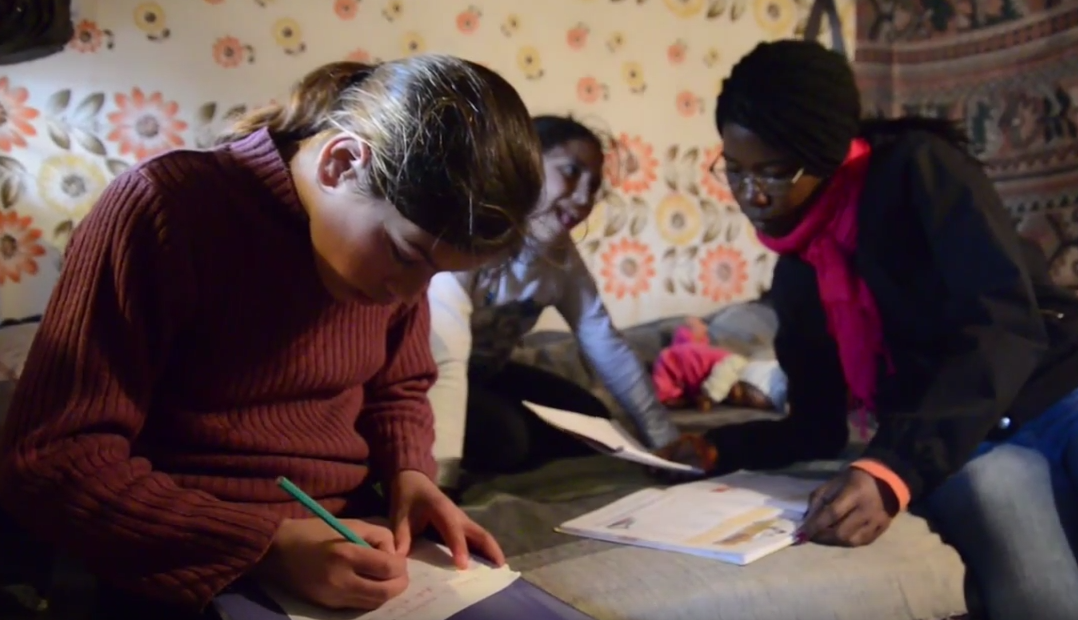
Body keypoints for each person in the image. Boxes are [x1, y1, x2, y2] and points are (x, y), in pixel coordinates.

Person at [0, 57, 545, 617]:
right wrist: (264, 545)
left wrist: (411, 474)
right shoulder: (165, 207)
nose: (410, 296)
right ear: (341, 163)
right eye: (408, 257)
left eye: (435, 275)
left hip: (346, 536)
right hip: (181, 552)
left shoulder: (388, 273)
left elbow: (398, 385)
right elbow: (51, 460)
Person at [655, 40, 1078, 619]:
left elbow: (1004, 322)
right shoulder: (799, 275)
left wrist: (895, 466)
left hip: (1053, 390)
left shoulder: (918, 171)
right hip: (965, 441)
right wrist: (721, 446)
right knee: (1035, 588)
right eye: (735, 168)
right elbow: (818, 426)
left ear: (825, 155)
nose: (751, 195)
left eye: (775, 173)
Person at [427, 115, 680, 484]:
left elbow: (605, 344)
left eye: (593, 186)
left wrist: (664, 442)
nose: (582, 198)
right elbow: (446, 353)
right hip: (426, 373)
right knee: (508, 440)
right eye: (571, 172)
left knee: (595, 422)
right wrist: (440, 474)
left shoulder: (562, 260)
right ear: (523, 165)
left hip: (485, 374)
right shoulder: (468, 238)